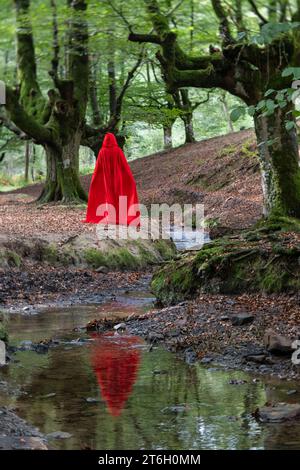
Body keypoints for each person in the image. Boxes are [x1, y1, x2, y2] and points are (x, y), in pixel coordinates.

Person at [82, 133, 140, 226]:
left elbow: (98, 169)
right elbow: (124, 166)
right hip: (119, 179)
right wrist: (129, 179)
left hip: (106, 180)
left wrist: (95, 181)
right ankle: (120, 217)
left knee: (108, 196)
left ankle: (110, 217)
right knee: (119, 196)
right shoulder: (118, 151)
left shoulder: (102, 152)